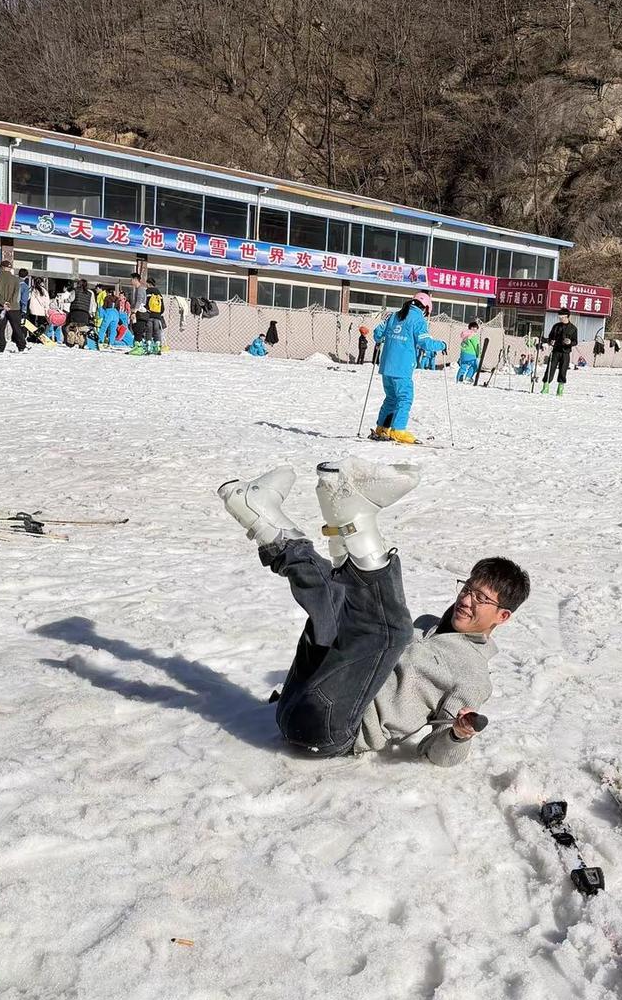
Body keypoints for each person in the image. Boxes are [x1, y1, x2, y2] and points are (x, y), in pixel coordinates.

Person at [218, 458, 528, 763]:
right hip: (295, 702)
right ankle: (263, 518)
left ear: (503, 616)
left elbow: (437, 754)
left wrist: (458, 735)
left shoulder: (472, 675)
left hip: (332, 731)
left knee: (393, 632)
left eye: (481, 599)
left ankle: (355, 521)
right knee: (339, 597)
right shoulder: (427, 625)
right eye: (467, 589)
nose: (466, 599)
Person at [370, 297, 430, 442]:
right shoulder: (418, 319)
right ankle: (398, 430)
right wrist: (442, 345)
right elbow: (425, 342)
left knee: (391, 398)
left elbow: (378, 333)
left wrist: (383, 340)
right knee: (405, 398)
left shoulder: (394, 315)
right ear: (425, 308)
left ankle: (381, 428)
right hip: (402, 368)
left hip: (386, 366)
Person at [541, 307, 578, 397]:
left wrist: (569, 342)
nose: (560, 319)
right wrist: (550, 341)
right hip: (555, 351)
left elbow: (575, 341)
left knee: (563, 370)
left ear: (567, 317)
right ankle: (546, 386)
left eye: (562, 317)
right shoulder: (556, 326)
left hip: (565, 352)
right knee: (550, 368)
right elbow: (550, 337)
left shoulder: (573, 328)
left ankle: (560, 388)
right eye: (559, 317)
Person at [0, 262, 26, 353]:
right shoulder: (15, 279)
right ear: (9, 268)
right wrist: (9, 303)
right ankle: (21, 346)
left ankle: (0, 348)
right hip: (13, 308)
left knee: (0, 328)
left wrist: (3, 303)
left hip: (0, 307)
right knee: (16, 327)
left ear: (2, 267)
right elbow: (16, 293)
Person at [65, 279, 97, 347]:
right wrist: (90, 314)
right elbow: (91, 305)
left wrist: (64, 300)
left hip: (75, 313)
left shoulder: (75, 290)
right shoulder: (90, 293)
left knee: (71, 328)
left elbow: (71, 299)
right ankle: (81, 342)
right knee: (82, 330)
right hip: (85, 314)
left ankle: (71, 341)